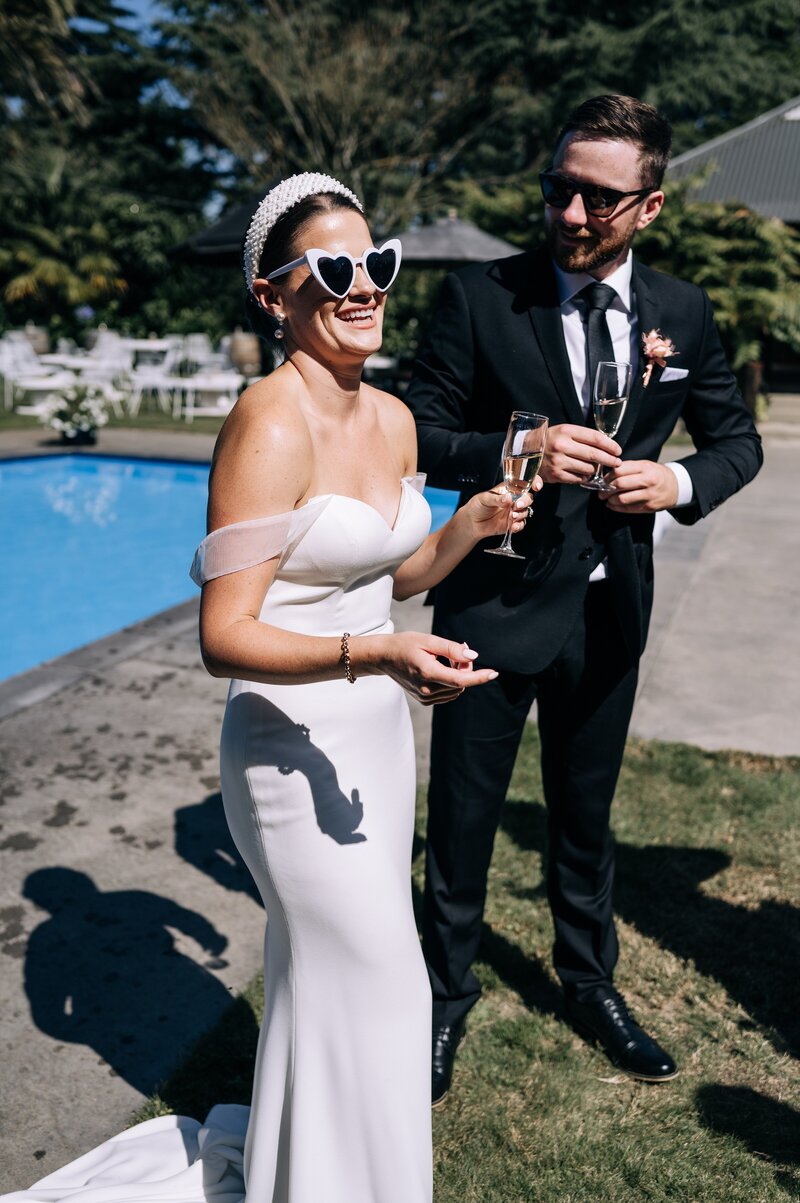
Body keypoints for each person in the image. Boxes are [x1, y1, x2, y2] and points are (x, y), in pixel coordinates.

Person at [0, 174, 537, 1203]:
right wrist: (375, 657)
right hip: (288, 748)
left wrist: (464, 530)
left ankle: (308, 1173)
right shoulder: (267, 420)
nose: (362, 285)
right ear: (271, 294)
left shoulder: (390, 417)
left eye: (374, 264)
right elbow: (223, 635)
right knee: (384, 980)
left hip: (374, 741)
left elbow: (390, 578)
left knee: (330, 978)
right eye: (331, 269)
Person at [405, 95, 763, 1105]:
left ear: (647, 208)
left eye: (596, 197)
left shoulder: (682, 313)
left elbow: (735, 443)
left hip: (609, 610)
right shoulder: (480, 296)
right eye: (557, 186)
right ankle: (442, 995)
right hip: (489, 604)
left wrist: (679, 482)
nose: (567, 211)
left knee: (583, 813)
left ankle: (588, 981)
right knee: (465, 814)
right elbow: (417, 428)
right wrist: (515, 444)